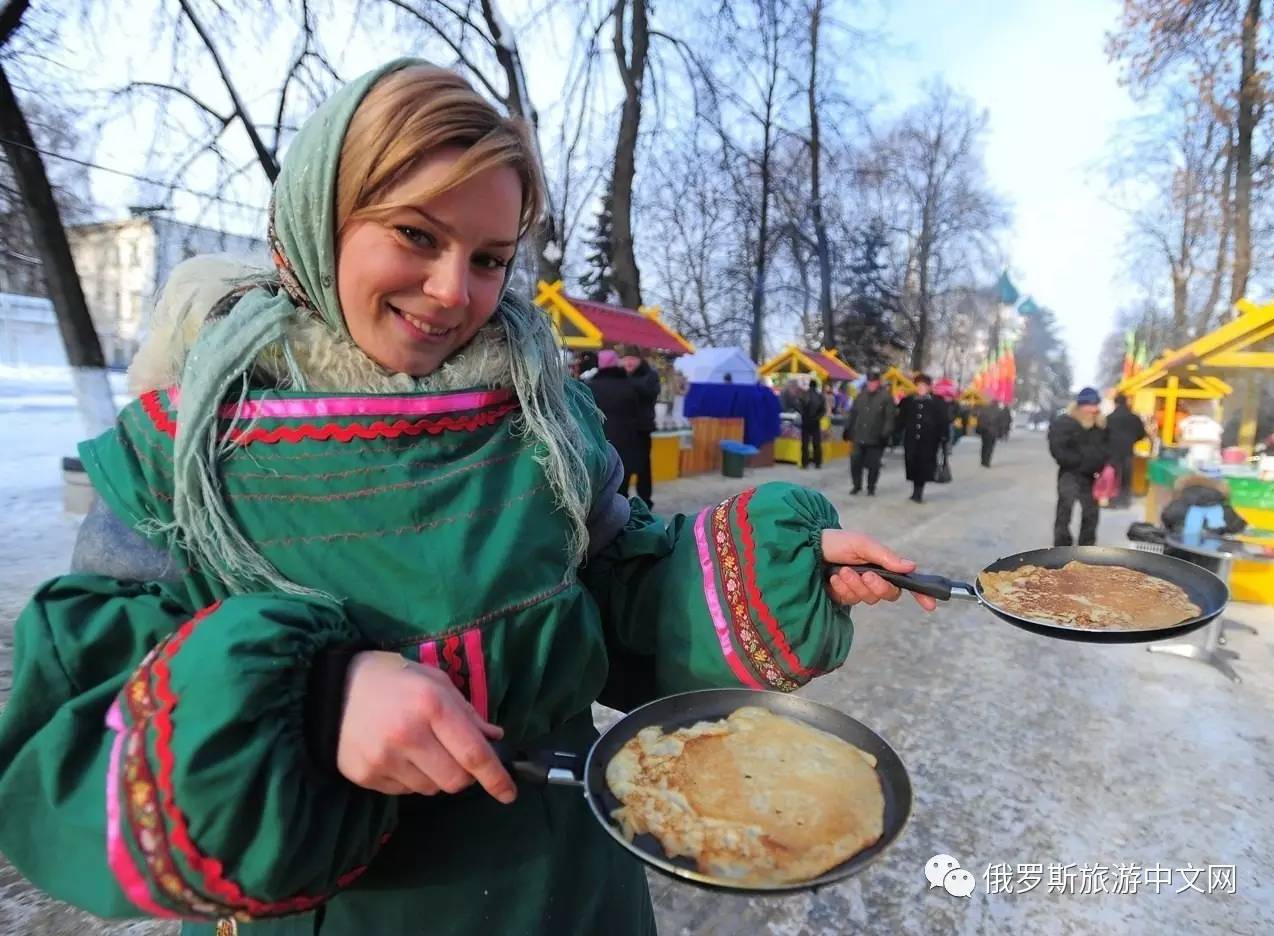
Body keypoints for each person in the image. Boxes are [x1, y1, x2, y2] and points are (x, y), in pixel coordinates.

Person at [0, 61, 937, 936]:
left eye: (489, 258)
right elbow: (76, 729)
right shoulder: (184, 452)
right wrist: (313, 699)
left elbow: (619, 596)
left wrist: (766, 577)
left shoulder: (541, 422)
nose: (453, 291)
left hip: (571, 897)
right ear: (321, 216)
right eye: (416, 235)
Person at [1049, 387, 1109, 546]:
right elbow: (1058, 449)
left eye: (1096, 404)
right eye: (1090, 405)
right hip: (1070, 473)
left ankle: (1087, 547)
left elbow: (1105, 447)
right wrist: (1078, 462)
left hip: (1091, 476)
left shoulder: (1100, 425)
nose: (1094, 409)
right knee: (1065, 510)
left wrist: (1101, 464)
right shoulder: (1065, 423)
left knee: (1091, 513)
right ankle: (1062, 546)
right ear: (1081, 405)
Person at [588, 350, 644, 500]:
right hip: (626, 442)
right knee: (622, 489)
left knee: (600, 491)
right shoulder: (629, 386)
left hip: (600, 443)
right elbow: (637, 413)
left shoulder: (590, 387)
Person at [842, 370, 896, 496]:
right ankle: (856, 485)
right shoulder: (860, 396)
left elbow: (889, 418)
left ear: (878, 383)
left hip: (876, 437)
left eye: (874, 382)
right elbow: (853, 414)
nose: (871, 384)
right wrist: (847, 429)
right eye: (869, 382)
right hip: (858, 435)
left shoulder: (886, 397)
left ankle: (871, 486)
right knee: (855, 461)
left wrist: (885, 433)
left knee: (873, 465)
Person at [898, 374, 949, 503]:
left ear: (929, 387)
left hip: (929, 441)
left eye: (924, 386)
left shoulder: (937, 402)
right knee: (912, 463)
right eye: (919, 385)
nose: (921, 388)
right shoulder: (909, 401)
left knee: (924, 465)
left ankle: (918, 492)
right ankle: (915, 489)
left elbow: (943, 420)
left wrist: (943, 436)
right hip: (911, 439)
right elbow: (900, 419)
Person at [620, 349, 660, 509]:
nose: (629, 362)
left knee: (643, 467)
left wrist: (627, 384)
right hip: (623, 429)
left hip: (642, 429)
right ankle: (622, 498)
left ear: (639, 360)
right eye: (626, 358)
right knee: (623, 466)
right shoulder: (620, 375)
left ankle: (645, 501)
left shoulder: (650, 374)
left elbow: (650, 390)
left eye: (632, 359)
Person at [1105, 395, 1147, 508]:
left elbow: (1102, 435)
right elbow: (1142, 434)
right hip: (1128, 451)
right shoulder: (1134, 418)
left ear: (1115, 403)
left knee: (1113, 476)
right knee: (1126, 477)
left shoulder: (1109, 418)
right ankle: (1124, 502)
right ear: (1126, 403)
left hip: (1112, 452)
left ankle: (1112, 501)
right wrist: (1132, 440)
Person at [799, 379, 827, 468]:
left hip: (806, 421)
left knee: (805, 443)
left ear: (809, 385)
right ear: (816, 386)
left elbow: (800, 407)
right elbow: (823, 410)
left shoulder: (804, 395)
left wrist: (804, 416)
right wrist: (817, 418)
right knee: (816, 443)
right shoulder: (820, 396)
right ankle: (817, 463)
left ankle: (805, 463)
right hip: (815, 422)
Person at [976, 399, 1001, 468]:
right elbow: (1000, 422)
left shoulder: (984, 409)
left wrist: (980, 429)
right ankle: (987, 461)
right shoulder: (998, 411)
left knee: (984, 446)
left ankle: (983, 460)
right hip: (993, 432)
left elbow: (979, 419)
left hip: (984, 431)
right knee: (990, 448)